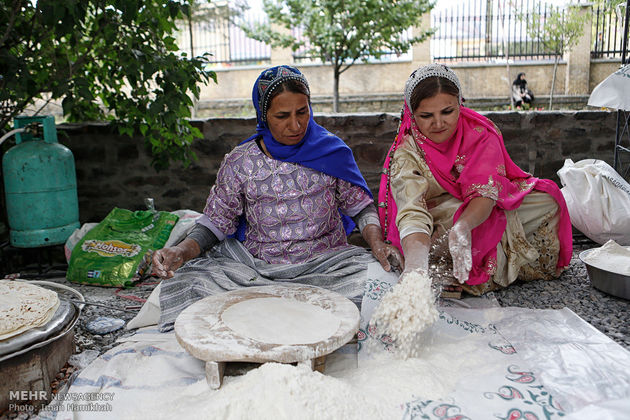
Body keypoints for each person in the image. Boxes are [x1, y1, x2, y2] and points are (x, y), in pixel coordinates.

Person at [153, 65, 402, 331]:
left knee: (385, 288)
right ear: (263, 115)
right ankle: (291, 317)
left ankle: (266, 318)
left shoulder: (332, 152)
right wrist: (180, 251)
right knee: (186, 283)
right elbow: (216, 221)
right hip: (257, 269)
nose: (295, 125)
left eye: (302, 112)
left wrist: (377, 244)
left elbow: (361, 208)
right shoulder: (241, 161)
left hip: (327, 266)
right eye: (282, 116)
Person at [378, 63, 573, 296]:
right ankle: (435, 267)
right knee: (448, 216)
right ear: (412, 113)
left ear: (460, 104)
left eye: (447, 112)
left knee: (547, 200)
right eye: (426, 116)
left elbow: (485, 193)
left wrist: (464, 227)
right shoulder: (407, 151)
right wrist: (415, 267)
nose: (438, 123)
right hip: (433, 226)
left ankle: (468, 256)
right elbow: (412, 211)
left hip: (477, 212)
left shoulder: (480, 134)